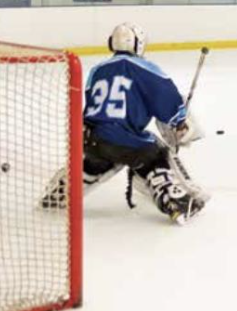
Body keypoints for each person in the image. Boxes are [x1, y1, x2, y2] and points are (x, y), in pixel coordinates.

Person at [43, 23, 209, 225]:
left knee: (100, 159)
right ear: (138, 45)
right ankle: (175, 200)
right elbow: (166, 99)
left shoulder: (97, 70)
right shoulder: (145, 68)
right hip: (123, 139)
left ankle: (63, 189)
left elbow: (94, 105)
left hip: (90, 137)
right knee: (153, 153)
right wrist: (180, 121)